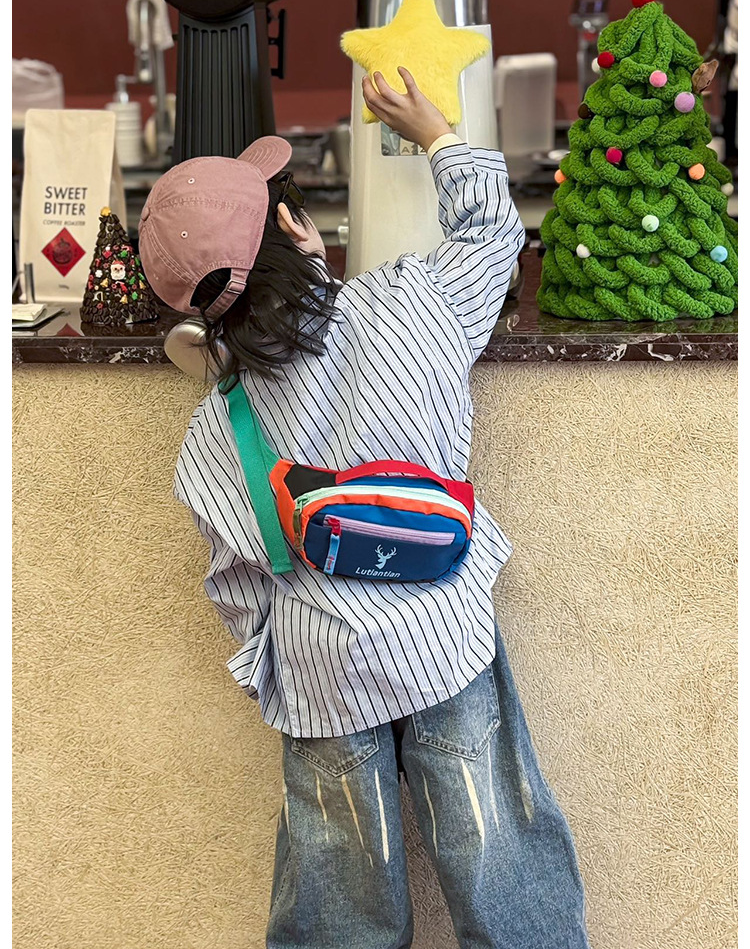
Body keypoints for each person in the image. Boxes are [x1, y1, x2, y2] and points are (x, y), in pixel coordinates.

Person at [138, 67, 590, 949]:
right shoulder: (410, 304)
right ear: (294, 229)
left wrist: (276, 663)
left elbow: (238, 586)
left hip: (323, 670)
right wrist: (437, 135)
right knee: (496, 853)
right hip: (441, 636)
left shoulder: (215, 431)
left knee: (340, 897)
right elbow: (494, 236)